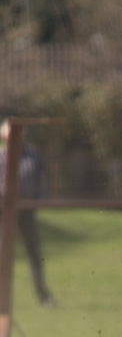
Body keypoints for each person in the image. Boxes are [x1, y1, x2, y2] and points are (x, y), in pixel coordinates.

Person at [0, 119, 55, 306]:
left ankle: (43, 296)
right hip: (6, 215)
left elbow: (40, 178)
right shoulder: (1, 156)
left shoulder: (32, 154)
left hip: (28, 211)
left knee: (34, 254)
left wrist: (40, 199)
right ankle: (3, 299)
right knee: (3, 255)